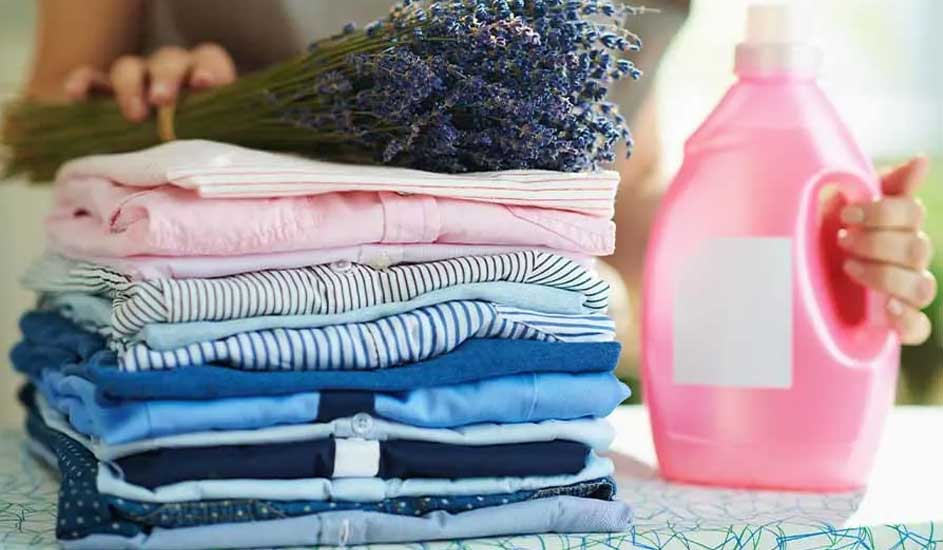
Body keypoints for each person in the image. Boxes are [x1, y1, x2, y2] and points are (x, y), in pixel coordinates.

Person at [24, 0, 937, 346]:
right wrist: (138, 108)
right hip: (204, 383)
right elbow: (37, 128)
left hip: (492, 433)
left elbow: (620, 208)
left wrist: (799, 263)